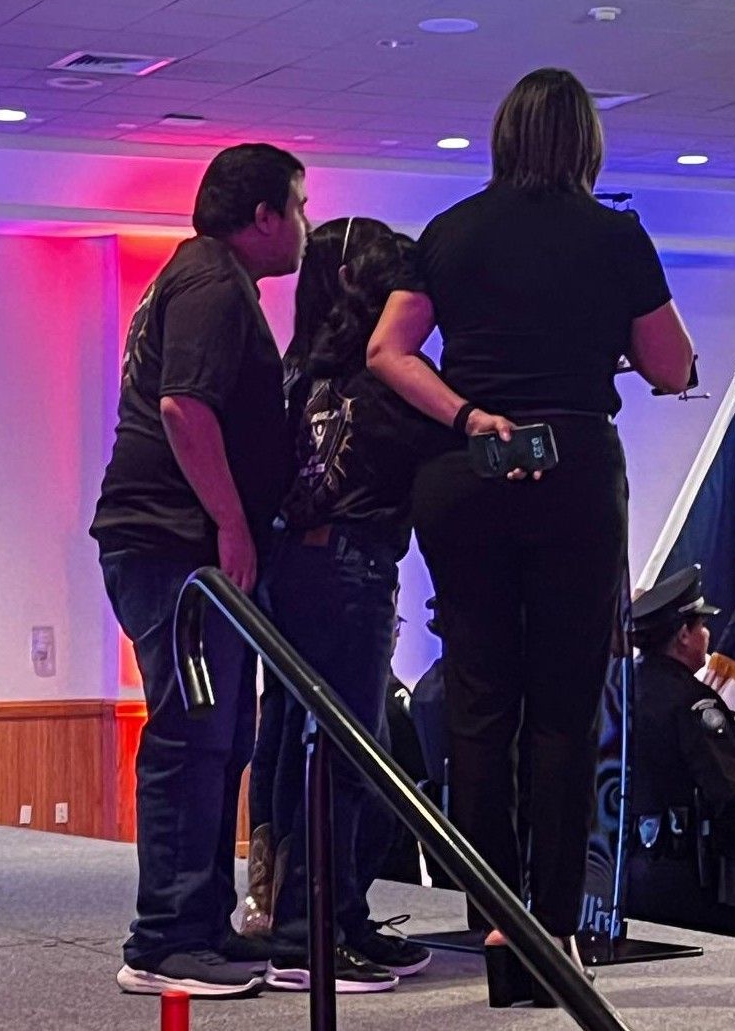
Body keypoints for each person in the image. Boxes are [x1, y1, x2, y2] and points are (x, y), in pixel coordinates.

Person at [367, 66, 694, 999]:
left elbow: (388, 352)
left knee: (478, 705)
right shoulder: (616, 235)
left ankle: (493, 927)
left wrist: (470, 415)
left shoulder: (450, 232)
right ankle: (551, 933)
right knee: (562, 711)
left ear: (503, 137)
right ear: (585, 143)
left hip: (468, 478)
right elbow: (670, 365)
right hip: (576, 479)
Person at [89, 143, 309, 995]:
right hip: (175, 546)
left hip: (173, 545)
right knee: (194, 733)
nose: (303, 223)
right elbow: (184, 407)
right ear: (259, 216)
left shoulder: (202, 276)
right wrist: (231, 524)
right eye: (295, 204)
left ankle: (201, 921)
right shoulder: (215, 285)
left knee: (225, 734)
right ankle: (163, 939)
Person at [257, 217, 449, 993]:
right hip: (349, 568)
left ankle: (328, 917)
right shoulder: (382, 384)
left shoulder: (294, 369)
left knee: (316, 745)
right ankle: (310, 933)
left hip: (293, 569)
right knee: (350, 757)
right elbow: (446, 444)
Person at [627, 566, 735, 938]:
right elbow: (729, 795)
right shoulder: (692, 703)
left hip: (627, 869)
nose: (707, 634)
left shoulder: (619, 691)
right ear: (683, 636)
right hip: (687, 878)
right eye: (701, 626)